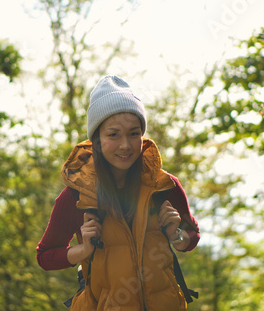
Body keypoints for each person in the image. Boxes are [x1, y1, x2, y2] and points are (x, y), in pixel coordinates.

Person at [36, 75, 200, 310]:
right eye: (113, 134)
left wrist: (177, 236)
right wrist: (82, 251)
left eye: (134, 134)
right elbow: (46, 256)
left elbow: (192, 237)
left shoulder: (164, 187)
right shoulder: (76, 196)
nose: (125, 145)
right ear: (97, 140)